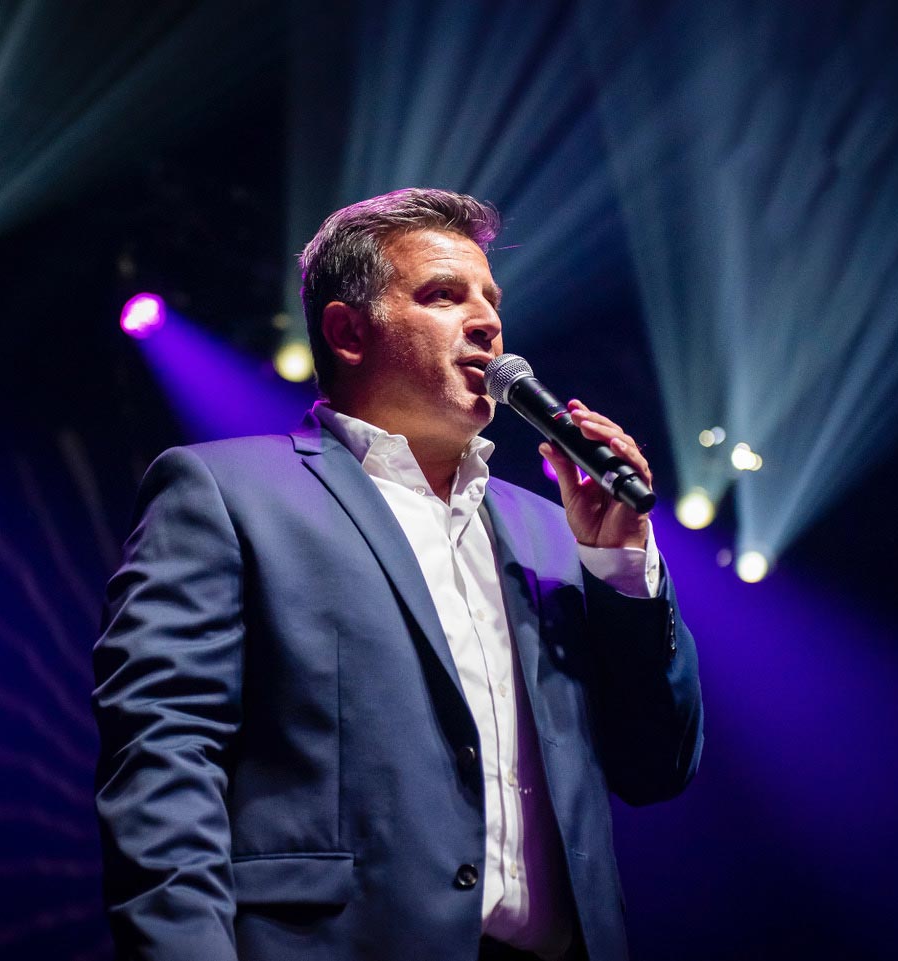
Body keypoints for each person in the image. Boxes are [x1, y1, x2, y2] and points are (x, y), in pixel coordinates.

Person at [93, 188, 703, 961]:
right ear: (348, 332)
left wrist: (618, 565)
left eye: (491, 301)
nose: (486, 322)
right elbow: (164, 752)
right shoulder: (228, 492)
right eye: (444, 295)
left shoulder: (553, 532)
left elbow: (655, 767)